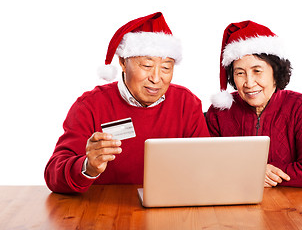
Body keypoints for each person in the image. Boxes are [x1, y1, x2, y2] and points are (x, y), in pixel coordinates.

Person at [45, 12, 210, 193]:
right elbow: (54, 173)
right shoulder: (90, 105)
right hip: (103, 212)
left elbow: (206, 166)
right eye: (147, 66)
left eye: (166, 67)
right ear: (123, 62)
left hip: (169, 210)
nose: (156, 78)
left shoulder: (186, 104)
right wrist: (88, 166)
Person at [206, 20, 302, 188]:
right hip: (235, 208)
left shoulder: (301, 106)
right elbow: (207, 170)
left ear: (275, 71)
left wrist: (254, 173)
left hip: (290, 209)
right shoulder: (219, 112)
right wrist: (253, 173)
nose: (249, 82)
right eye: (240, 73)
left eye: (257, 71)